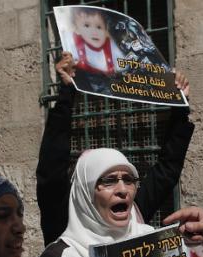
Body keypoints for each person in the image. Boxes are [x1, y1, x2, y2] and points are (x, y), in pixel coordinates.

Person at [36, 51, 194, 246]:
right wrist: (67, 91)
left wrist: (180, 104)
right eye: (109, 181)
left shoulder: (136, 215)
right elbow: (51, 169)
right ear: (86, 190)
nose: (122, 190)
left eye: (128, 179)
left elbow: (168, 168)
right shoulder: (65, 227)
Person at [68, 7, 124, 76]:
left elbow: (123, 64)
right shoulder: (76, 45)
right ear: (77, 29)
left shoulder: (110, 45)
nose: (94, 32)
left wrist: (118, 70)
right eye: (87, 25)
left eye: (99, 27)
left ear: (106, 31)